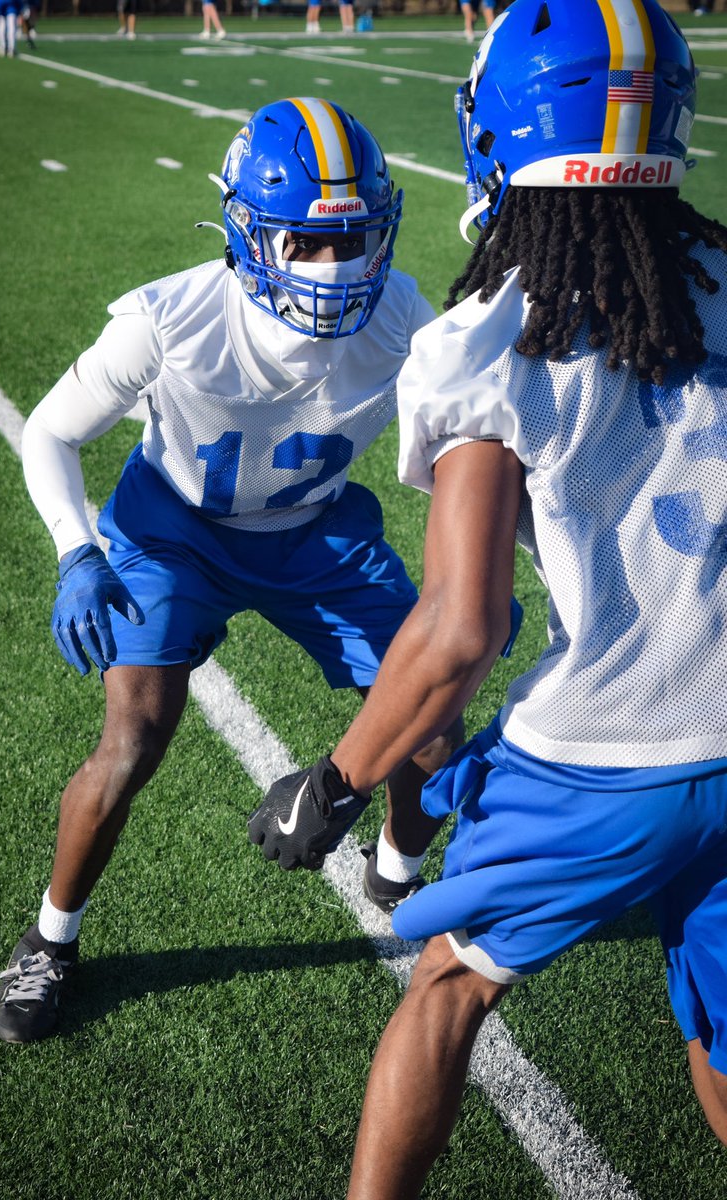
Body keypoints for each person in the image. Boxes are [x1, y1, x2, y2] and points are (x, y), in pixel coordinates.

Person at [249, 3, 727, 1195]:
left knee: (447, 987)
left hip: (607, 754)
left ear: (497, 130)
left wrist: (337, 780)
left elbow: (463, 626)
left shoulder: (491, 336)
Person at [0, 97, 478, 1045]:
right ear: (249, 233)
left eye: (355, 240)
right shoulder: (171, 318)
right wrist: (77, 551)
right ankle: (51, 940)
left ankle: (397, 872)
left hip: (317, 531)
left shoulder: (405, 317)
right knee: (134, 736)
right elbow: (49, 430)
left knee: (431, 718)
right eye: (306, 241)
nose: (336, 269)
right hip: (176, 527)